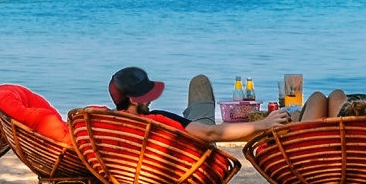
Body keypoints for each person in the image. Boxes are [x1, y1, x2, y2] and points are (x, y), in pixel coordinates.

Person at [108, 67, 289, 144]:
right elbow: (211, 133)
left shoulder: (104, 122)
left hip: (137, 174)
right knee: (199, 82)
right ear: (133, 99)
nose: (150, 100)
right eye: (146, 96)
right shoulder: (157, 119)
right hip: (192, 160)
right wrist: (263, 124)